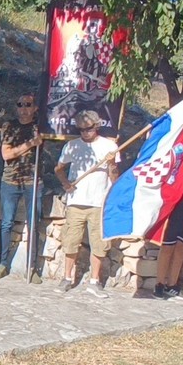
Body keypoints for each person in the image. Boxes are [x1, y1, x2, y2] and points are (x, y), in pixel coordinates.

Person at [54, 111, 118, 298]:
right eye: (80, 129)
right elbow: (58, 168)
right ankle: (67, 278)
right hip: (76, 202)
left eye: (88, 129)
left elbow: (115, 177)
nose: (84, 133)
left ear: (96, 126)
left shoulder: (109, 146)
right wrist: (65, 183)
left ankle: (94, 281)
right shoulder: (72, 146)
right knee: (71, 240)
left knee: (99, 243)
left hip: (99, 202)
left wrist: (112, 164)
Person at [0, 94, 44, 282]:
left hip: (33, 181)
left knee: (33, 225)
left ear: (35, 108)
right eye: (20, 104)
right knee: (6, 223)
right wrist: (31, 143)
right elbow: (6, 154)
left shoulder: (40, 127)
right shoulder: (9, 127)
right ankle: (3, 263)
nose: (23, 108)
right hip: (11, 181)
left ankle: (32, 267)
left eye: (28, 105)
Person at [153, 199, 183, 300]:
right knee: (167, 247)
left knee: (181, 247)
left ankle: (171, 285)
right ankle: (159, 284)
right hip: (172, 206)